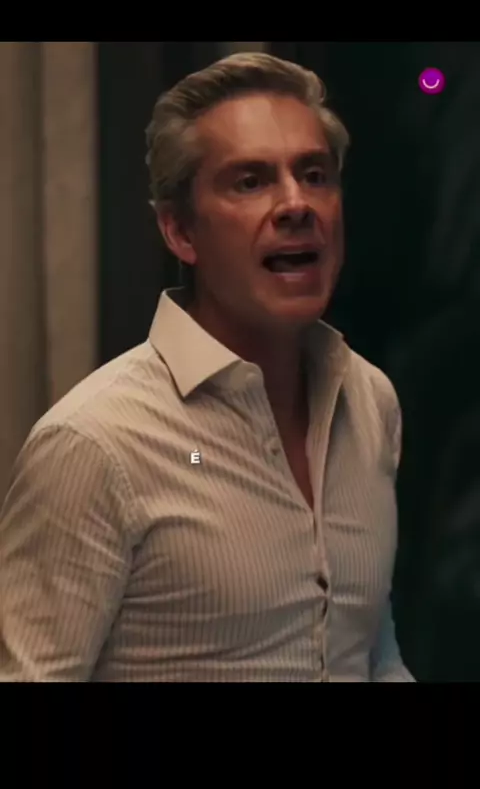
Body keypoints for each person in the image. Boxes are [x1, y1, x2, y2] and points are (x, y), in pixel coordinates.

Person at [0, 52, 414, 682]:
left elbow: (371, 652)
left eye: (314, 175)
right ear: (180, 232)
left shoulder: (369, 401)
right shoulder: (95, 445)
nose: (296, 204)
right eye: (250, 181)